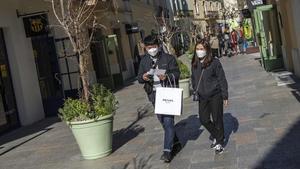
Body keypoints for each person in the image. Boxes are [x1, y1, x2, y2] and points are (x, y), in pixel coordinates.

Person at [137, 35, 181, 163]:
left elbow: (177, 73)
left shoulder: (168, 58)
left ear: (158, 46)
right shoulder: (144, 61)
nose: (152, 49)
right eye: (149, 47)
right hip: (154, 95)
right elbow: (139, 77)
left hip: (167, 94)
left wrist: (166, 76)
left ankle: (167, 152)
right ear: (145, 48)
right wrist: (143, 77)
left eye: (154, 47)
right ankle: (176, 142)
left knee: (168, 122)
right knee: (163, 122)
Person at [191, 39, 229, 154]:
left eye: (201, 49)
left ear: (207, 50)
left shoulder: (214, 62)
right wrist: (195, 89)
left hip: (215, 95)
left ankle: (220, 142)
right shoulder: (194, 63)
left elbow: (221, 79)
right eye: (197, 49)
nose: (199, 51)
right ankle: (218, 135)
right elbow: (193, 78)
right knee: (204, 119)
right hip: (202, 96)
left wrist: (225, 95)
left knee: (217, 119)